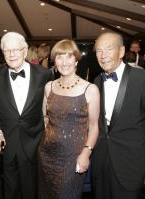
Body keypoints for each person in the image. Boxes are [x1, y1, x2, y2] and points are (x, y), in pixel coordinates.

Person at [91, 32, 145, 199]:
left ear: (121, 51)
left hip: (132, 165)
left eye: (108, 49)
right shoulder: (97, 81)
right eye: (98, 51)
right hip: (101, 163)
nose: (103, 56)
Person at [0, 32, 51, 199]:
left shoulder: (44, 74)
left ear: (25, 51)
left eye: (16, 50)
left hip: (34, 144)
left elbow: (51, 107)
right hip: (7, 145)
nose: (12, 54)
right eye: (7, 51)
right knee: (10, 192)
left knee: (33, 191)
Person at [37, 39, 100, 198]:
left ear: (76, 60)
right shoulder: (49, 86)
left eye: (69, 57)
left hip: (74, 156)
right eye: (59, 57)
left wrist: (86, 153)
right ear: (54, 62)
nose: (64, 62)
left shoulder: (90, 89)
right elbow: (44, 117)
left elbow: (94, 127)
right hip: (46, 154)